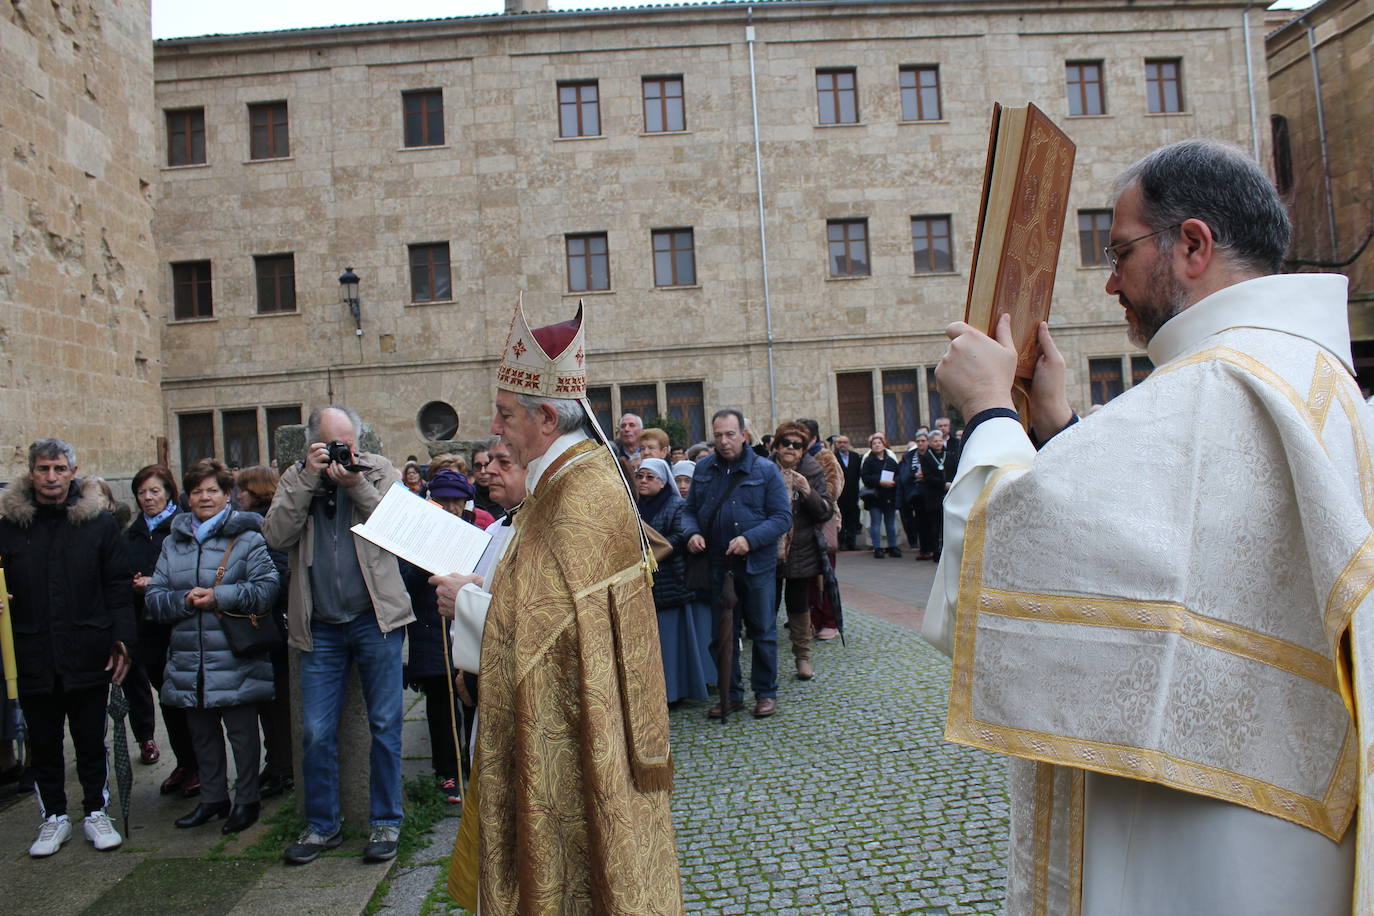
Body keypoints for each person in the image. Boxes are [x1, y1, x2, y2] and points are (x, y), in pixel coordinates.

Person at [926, 139, 1370, 914]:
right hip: (1280, 824)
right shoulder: (1313, 377)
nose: (1110, 283)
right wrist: (1062, 428)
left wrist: (989, 411)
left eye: (1121, 252)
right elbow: (1160, 547)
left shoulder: (1216, 387)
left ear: (1192, 245)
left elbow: (987, 580)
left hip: (1195, 841)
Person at [436, 301, 682, 914]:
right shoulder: (565, 477)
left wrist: (465, 603)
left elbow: (543, 629)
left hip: (577, 726)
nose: (496, 429)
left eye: (505, 414)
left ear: (546, 416)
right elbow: (545, 601)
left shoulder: (580, 491)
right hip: (573, 712)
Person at [263, 405, 414, 865]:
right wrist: (310, 480)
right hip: (321, 627)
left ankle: (386, 823)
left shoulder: (378, 470)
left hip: (376, 619)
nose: (341, 452)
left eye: (347, 443)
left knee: (387, 725)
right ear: (312, 443)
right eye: (331, 444)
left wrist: (356, 484)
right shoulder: (296, 478)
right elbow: (276, 535)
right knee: (316, 731)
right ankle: (322, 826)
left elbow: (397, 529)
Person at [0, 439, 134, 858]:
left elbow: (117, 586)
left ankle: (96, 809)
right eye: (44, 469)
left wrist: (122, 641)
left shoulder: (97, 523)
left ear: (73, 471)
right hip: (32, 647)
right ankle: (53, 816)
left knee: (91, 738)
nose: (52, 478)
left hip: (87, 645)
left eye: (59, 469)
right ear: (32, 471)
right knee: (43, 741)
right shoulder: (9, 524)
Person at [145, 459, 279, 834]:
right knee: (202, 734)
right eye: (197, 491)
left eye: (212, 491)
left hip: (235, 653)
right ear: (187, 497)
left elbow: (267, 589)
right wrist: (184, 600)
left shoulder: (248, 537)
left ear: (227, 496)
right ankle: (213, 798)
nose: (205, 497)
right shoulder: (174, 542)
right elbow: (154, 597)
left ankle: (247, 799)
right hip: (190, 655)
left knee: (241, 732)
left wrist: (219, 596)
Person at [683, 408, 792, 719]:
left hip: (757, 566)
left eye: (730, 434)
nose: (724, 441)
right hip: (718, 564)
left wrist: (750, 539)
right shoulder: (703, 469)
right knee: (722, 635)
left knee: (763, 632)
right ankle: (730, 695)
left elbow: (782, 517)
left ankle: (765, 693)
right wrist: (691, 533)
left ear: (743, 435)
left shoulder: (765, 470)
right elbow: (689, 511)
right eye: (718, 435)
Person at [400, 468, 492, 806]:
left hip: (463, 629)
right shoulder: (417, 534)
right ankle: (446, 772)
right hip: (429, 629)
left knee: (470, 697)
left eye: (456, 502)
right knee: (440, 707)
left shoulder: (476, 533)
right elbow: (406, 581)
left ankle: (473, 767)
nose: (451, 508)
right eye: (443, 502)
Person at [125, 465, 200, 795]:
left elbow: (194, 572)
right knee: (167, 700)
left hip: (181, 626)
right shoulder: (132, 534)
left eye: (154, 491)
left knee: (189, 701)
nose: (148, 498)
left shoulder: (184, 527)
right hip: (149, 629)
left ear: (168, 492)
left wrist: (155, 583)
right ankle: (184, 762)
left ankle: (201, 765)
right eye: (142, 493)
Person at [236, 465, 294, 800]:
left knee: (277, 704)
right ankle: (276, 765)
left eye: (242, 490)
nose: (237, 496)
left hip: (272, 627)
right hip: (269, 627)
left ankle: (281, 767)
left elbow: (277, 572)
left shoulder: (262, 527)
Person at [634, 458, 712, 704]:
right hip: (648, 584)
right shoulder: (634, 506)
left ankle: (675, 692)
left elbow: (680, 535)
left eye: (650, 477)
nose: (644, 481)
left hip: (671, 581)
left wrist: (656, 550)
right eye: (640, 476)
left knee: (673, 641)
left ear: (662, 481)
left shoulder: (676, 505)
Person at [769, 423, 831, 681]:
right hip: (769, 547)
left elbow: (825, 510)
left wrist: (807, 491)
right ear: (777, 445)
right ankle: (766, 664)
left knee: (798, 605)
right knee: (766, 607)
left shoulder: (813, 470)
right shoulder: (765, 468)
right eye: (786, 443)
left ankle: (802, 658)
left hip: (801, 549)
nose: (791, 449)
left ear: (804, 449)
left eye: (797, 445)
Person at [860, 432, 900, 558]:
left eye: (879, 443)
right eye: (874, 444)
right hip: (875, 497)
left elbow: (898, 475)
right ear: (871, 446)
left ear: (884, 445)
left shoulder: (891, 461)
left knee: (890, 523)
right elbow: (865, 478)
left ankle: (892, 546)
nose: (877, 445)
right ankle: (877, 547)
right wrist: (880, 481)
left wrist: (894, 482)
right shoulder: (868, 461)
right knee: (876, 523)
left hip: (889, 496)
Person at [917, 430, 950, 561]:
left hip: (948, 494)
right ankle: (936, 552)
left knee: (946, 525)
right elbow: (928, 477)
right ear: (930, 443)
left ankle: (947, 552)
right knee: (934, 526)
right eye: (935, 441)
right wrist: (943, 484)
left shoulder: (949, 455)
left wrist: (950, 483)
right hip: (933, 496)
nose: (938, 443)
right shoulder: (926, 457)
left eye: (940, 440)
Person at [832, 434, 863, 552]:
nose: (842, 445)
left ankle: (852, 542)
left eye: (845, 442)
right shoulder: (833, 457)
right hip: (840, 494)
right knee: (841, 519)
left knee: (853, 518)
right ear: (836, 444)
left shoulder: (855, 457)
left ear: (849, 444)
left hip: (853, 493)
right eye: (840, 442)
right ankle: (841, 542)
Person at [469, 440, 504, 520]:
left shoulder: (506, 498)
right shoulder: (466, 497)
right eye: (478, 466)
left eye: (487, 465)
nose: (483, 471)